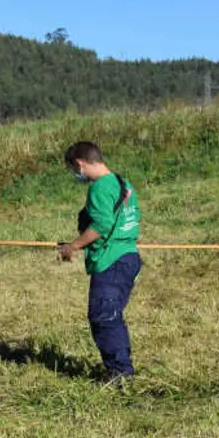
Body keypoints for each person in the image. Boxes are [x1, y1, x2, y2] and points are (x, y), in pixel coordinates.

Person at [57, 142, 142, 383]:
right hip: (128, 256)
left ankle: (120, 373)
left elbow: (102, 225)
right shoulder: (123, 183)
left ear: (80, 164)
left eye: (73, 169)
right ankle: (121, 367)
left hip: (111, 261)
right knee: (111, 315)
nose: (76, 174)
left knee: (103, 316)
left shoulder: (99, 189)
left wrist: (73, 246)